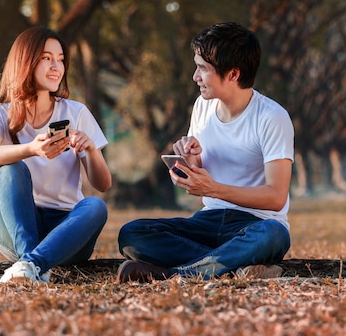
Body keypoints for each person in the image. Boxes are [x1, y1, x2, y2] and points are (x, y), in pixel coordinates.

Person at [116, 22, 294, 282]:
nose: (195, 77)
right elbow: (200, 170)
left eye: (202, 68)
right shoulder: (203, 105)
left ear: (233, 74)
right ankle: (232, 265)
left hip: (255, 224)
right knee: (132, 234)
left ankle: (179, 275)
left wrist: (213, 189)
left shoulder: (272, 117)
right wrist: (189, 161)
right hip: (208, 221)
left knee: (273, 236)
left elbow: (276, 197)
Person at [0, 26, 112, 284]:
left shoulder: (76, 111)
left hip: (66, 232)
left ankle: (31, 264)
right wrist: (31, 149)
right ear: (25, 61)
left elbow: (103, 184)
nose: (56, 67)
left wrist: (91, 150)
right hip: (17, 226)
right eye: (47, 58)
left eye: (60, 59)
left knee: (95, 206)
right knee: (11, 168)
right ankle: (32, 259)